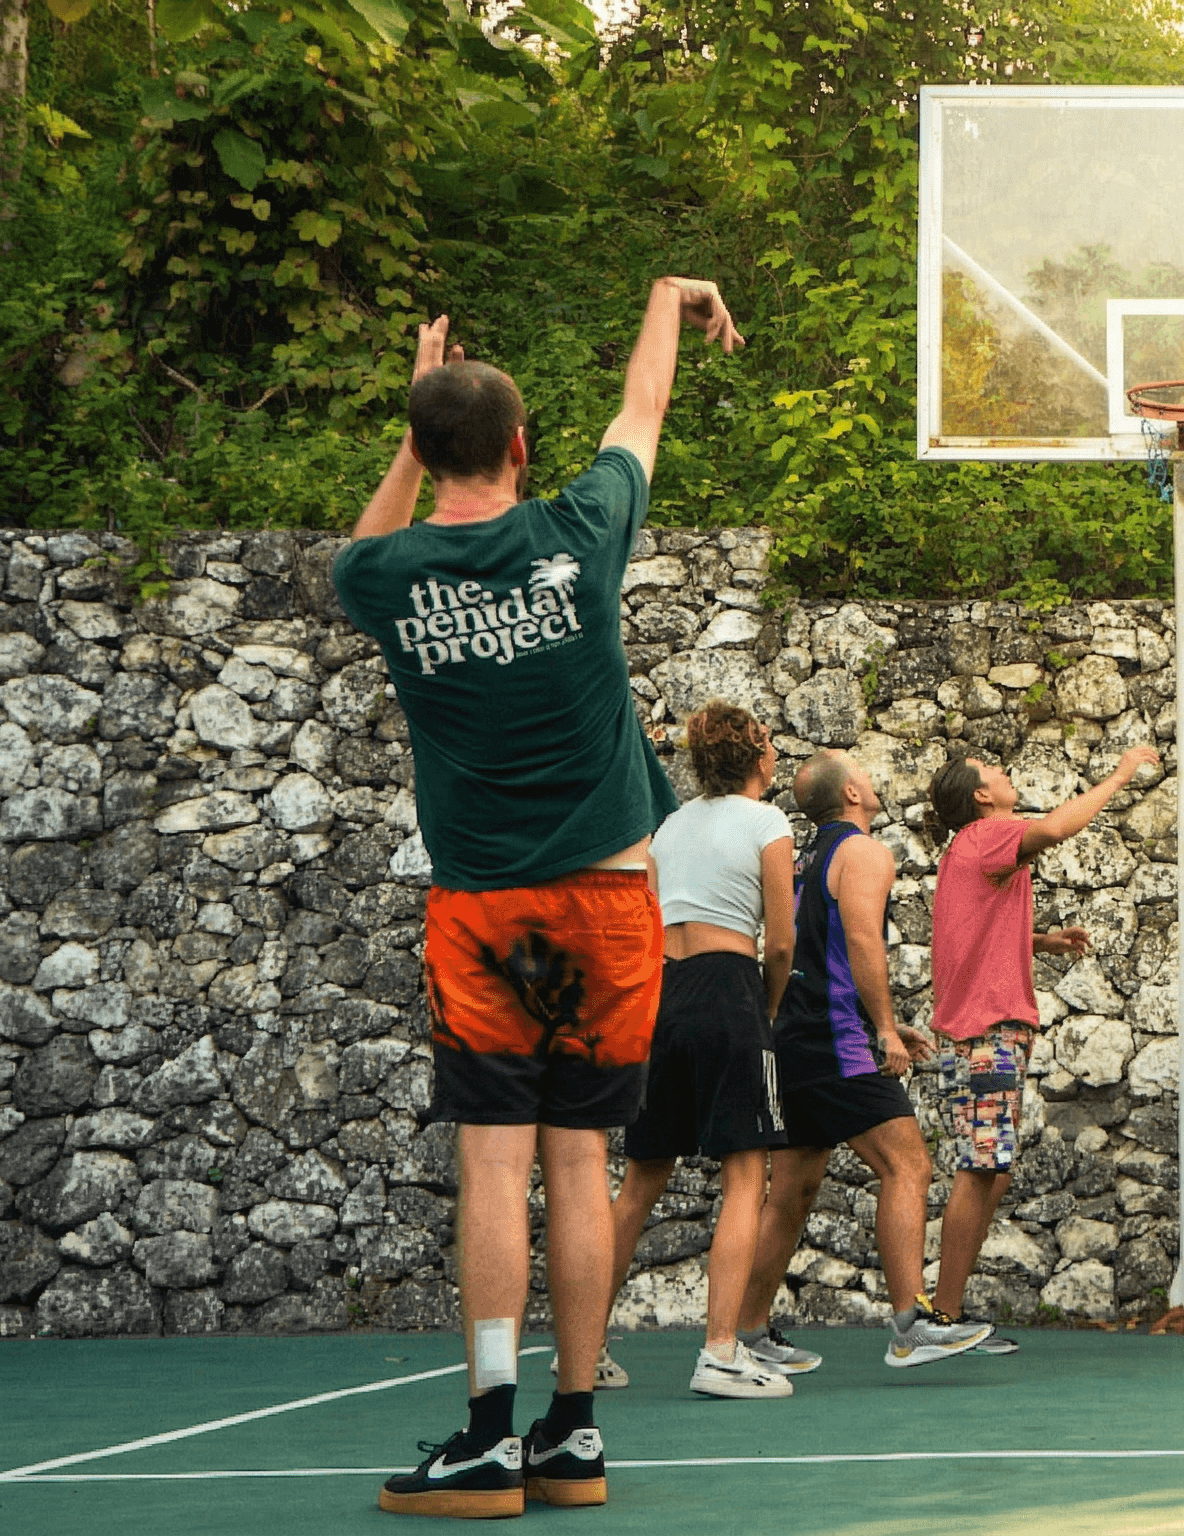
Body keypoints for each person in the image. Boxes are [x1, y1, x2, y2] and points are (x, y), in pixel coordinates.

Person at [336, 278, 743, 1516]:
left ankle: (486, 1437)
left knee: (492, 1165)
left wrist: (414, 427)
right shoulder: (580, 531)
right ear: (521, 446)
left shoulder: (388, 578)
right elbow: (643, 406)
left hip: (488, 915)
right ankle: (573, 1433)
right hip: (612, 904)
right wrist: (670, 297)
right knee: (580, 1164)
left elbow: (359, 546)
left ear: (424, 453)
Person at [737, 750, 995, 1369]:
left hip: (795, 1036)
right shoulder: (865, 853)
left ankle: (744, 1334)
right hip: (836, 1041)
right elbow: (857, 940)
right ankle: (911, 1325)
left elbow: (805, 952)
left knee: (792, 1191)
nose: (872, 779)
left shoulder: (802, 859)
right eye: (863, 772)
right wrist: (881, 1029)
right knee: (908, 1165)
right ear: (852, 793)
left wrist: (877, 1018)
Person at [925, 745, 1159, 1336]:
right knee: (982, 1168)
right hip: (986, 1032)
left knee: (993, 1169)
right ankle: (940, 1317)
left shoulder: (971, 849)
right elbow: (1056, 827)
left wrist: (1040, 941)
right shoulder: (987, 835)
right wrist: (1120, 773)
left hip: (990, 1031)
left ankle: (948, 1314)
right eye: (992, 771)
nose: (1004, 772)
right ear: (981, 796)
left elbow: (971, 930)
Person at [601, 702, 796, 1400]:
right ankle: (719, 1352)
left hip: (664, 995)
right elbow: (780, 942)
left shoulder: (669, 829)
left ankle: (583, 1348)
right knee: (746, 1174)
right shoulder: (768, 823)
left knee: (639, 1182)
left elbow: (648, 927)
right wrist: (764, 1008)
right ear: (759, 756)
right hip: (728, 989)